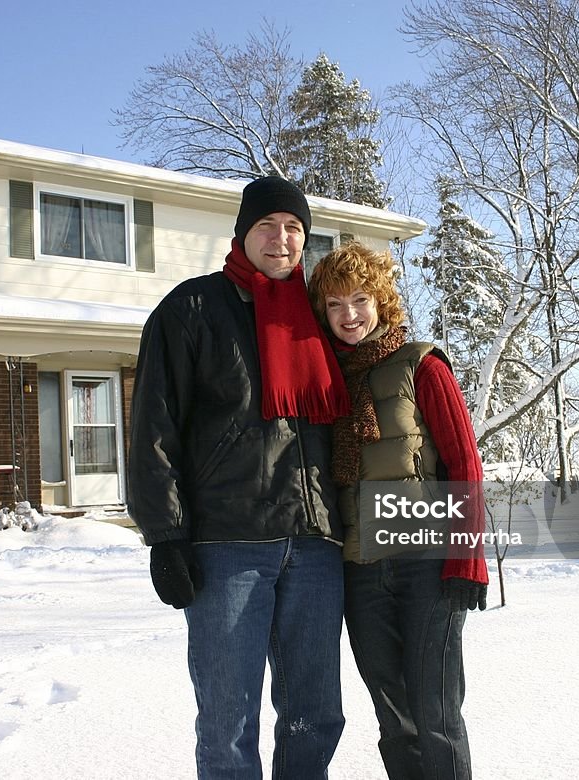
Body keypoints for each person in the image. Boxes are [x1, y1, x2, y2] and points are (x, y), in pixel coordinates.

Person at [128, 176, 351, 780]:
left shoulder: (320, 317)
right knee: (228, 722)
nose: (281, 240)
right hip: (227, 546)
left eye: (294, 228)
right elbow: (154, 428)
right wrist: (166, 537)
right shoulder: (191, 309)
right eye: (267, 226)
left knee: (316, 714)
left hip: (314, 545)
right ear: (242, 233)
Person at [308, 242, 488, 780]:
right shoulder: (326, 383)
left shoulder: (422, 366)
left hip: (427, 569)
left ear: (382, 301)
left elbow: (464, 465)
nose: (349, 316)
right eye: (335, 305)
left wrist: (466, 559)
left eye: (360, 299)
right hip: (361, 573)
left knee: (436, 716)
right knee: (395, 720)